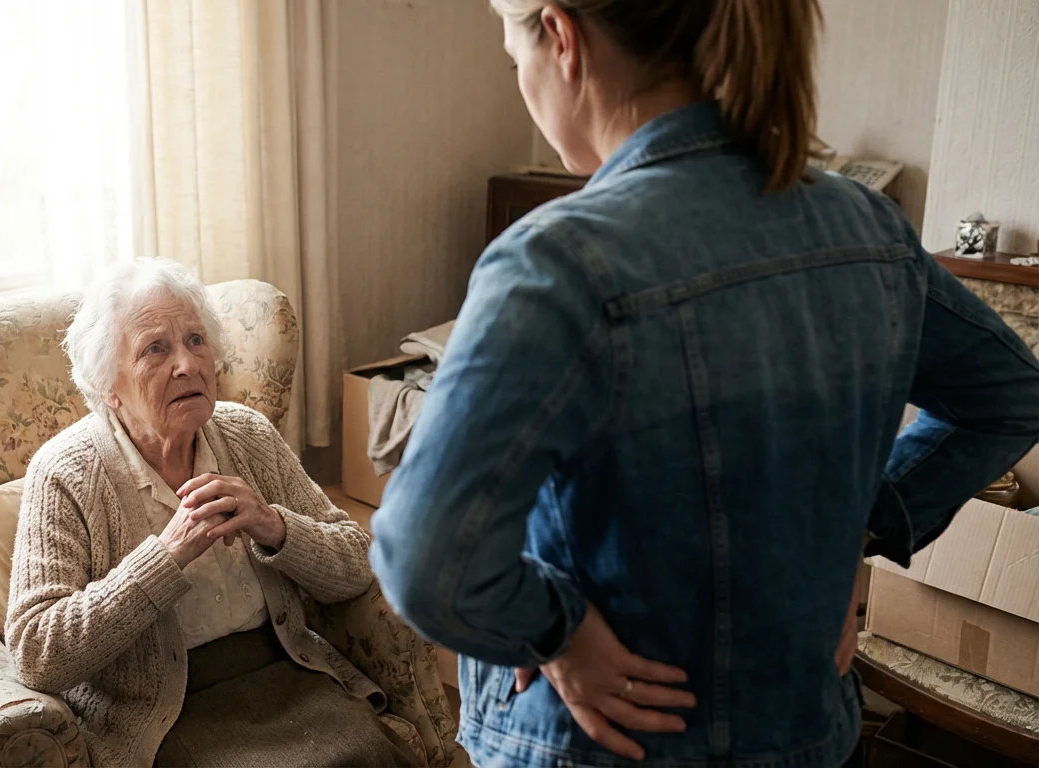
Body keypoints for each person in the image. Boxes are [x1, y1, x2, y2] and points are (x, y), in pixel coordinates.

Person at [369, 1, 1039, 766]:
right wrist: (864, 520)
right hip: (805, 732)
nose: (521, 82)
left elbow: (425, 560)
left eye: (512, 59)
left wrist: (555, 628)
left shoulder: (558, 261)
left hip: (602, 742)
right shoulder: (868, 227)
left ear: (560, 38)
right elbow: (1010, 394)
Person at [6, 258, 418, 767]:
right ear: (107, 385)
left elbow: (358, 562)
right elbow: (36, 651)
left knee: (366, 757)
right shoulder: (65, 473)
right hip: (162, 713)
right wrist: (165, 557)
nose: (188, 364)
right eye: (156, 349)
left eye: (196, 341)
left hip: (285, 675)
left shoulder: (247, 434)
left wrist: (276, 527)